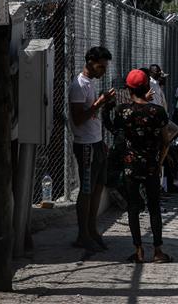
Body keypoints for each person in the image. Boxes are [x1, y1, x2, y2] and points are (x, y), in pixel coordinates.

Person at [113, 69, 172, 263]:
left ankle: (138, 251)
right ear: (147, 87)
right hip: (152, 165)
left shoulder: (122, 111)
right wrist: (161, 160)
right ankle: (157, 251)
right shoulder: (157, 111)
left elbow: (116, 131)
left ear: (129, 89)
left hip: (130, 164)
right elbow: (166, 140)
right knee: (154, 207)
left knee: (133, 207)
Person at [69, 46, 115, 251]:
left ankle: (92, 229)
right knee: (86, 190)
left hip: (95, 142)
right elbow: (78, 119)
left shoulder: (89, 84)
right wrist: (99, 103)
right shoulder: (79, 86)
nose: (103, 70)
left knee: (97, 188)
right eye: (100, 66)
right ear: (89, 62)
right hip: (85, 144)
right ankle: (82, 234)